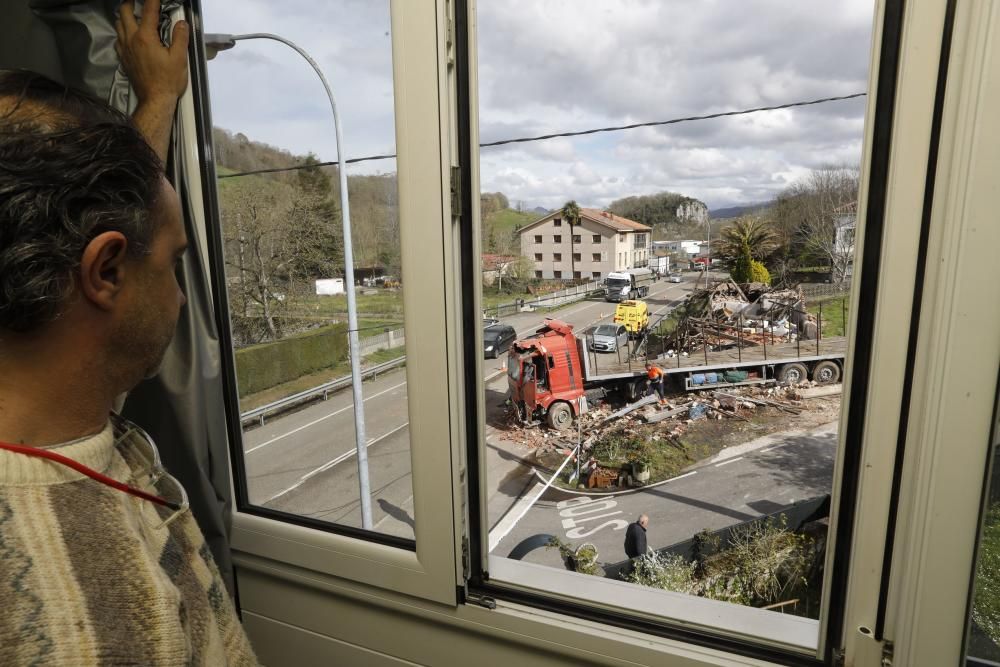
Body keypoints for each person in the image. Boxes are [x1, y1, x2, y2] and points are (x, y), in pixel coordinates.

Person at [0, 2, 258, 664]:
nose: (178, 292)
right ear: (105, 272)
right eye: (173, 262)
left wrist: (159, 94)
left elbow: (114, 215)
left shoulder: (57, 397)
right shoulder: (93, 630)